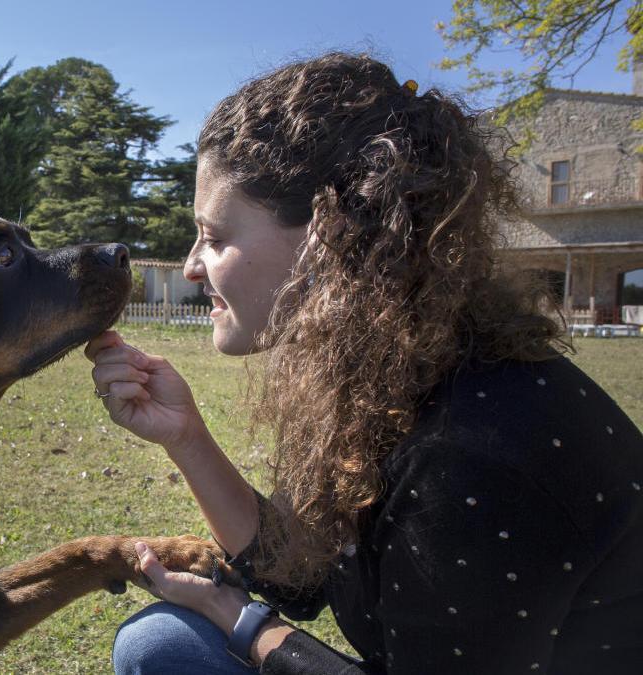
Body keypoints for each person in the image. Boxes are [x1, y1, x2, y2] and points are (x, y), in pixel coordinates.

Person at [86, 53, 643, 674]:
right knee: (161, 641)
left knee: (170, 647)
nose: (192, 265)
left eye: (215, 237)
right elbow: (298, 577)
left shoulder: (469, 454)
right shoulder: (382, 376)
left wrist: (239, 621)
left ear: (332, 236)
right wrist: (185, 436)